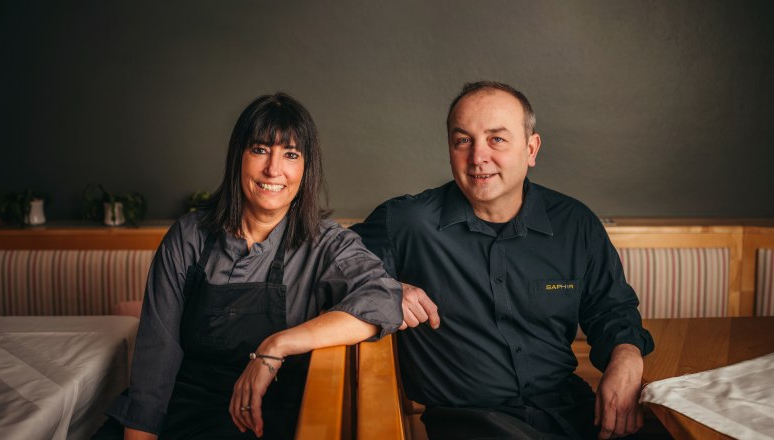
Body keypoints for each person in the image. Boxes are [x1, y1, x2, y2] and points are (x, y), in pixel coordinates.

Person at [351, 81, 655, 440]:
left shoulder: (575, 223)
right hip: (471, 423)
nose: (477, 157)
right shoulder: (408, 222)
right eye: (463, 140)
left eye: (496, 139)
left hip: (572, 411)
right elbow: (325, 265)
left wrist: (626, 356)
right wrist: (381, 287)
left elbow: (611, 309)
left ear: (531, 149)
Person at [96, 93, 402, 440]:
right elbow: (157, 354)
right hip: (179, 408)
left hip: (263, 419)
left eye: (290, 154)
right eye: (260, 150)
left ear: (306, 168)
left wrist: (276, 346)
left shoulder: (324, 242)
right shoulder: (189, 236)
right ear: (238, 158)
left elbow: (383, 299)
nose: (274, 169)